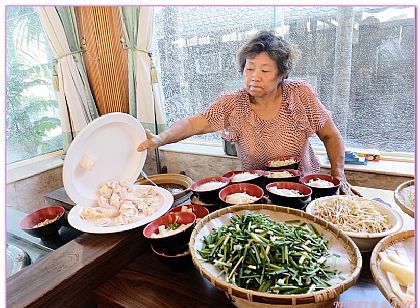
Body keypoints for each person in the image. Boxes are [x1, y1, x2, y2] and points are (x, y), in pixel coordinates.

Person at [137, 30, 360, 196]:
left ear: (282, 74)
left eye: (265, 70)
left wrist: (338, 176)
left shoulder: (299, 95)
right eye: (249, 68)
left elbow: (331, 136)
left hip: (303, 190)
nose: (254, 76)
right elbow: (192, 124)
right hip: (256, 193)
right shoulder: (233, 103)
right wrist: (159, 139)